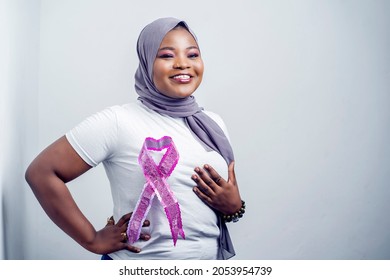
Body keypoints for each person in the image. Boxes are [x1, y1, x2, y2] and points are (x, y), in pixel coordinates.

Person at [25, 17, 244, 260]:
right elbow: (42, 173)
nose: (183, 64)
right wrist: (91, 238)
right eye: (167, 56)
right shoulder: (119, 121)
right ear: (147, 60)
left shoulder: (212, 124)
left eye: (192, 55)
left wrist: (234, 207)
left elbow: (208, 204)